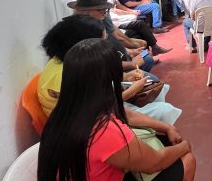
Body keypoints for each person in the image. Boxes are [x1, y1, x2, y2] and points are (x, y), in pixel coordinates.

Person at [38, 39, 196, 181]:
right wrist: (185, 146)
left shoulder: (64, 113)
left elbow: (126, 113)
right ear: (110, 78)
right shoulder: (104, 130)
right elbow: (154, 163)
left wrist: (166, 127)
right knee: (187, 160)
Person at [38, 15, 181, 125]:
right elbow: (98, 109)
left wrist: (126, 78)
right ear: (85, 44)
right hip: (88, 127)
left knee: (159, 91)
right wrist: (132, 88)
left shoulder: (71, 61)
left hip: (95, 115)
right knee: (164, 110)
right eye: (102, 41)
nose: (105, 45)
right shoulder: (65, 75)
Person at [91, 0, 171, 55]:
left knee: (140, 23)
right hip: (117, 20)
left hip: (118, 19)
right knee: (135, 29)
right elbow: (113, 22)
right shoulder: (103, 5)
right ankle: (146, 55)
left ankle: (152, 49)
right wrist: (132, 42)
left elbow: (119, 5)